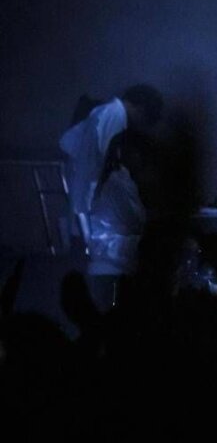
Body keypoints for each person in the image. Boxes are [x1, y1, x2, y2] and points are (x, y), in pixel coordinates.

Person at [60, 84, 163, 312]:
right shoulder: (112, 118)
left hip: (96, 230)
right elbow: (90, 174)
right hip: (101, 237)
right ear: (141, 108)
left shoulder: (105, 117)